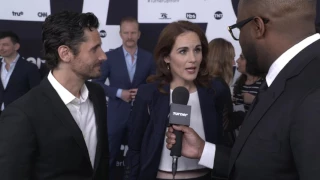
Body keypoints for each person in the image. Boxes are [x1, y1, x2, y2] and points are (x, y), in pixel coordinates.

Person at [166, 0, 320, 179]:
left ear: (257, 27)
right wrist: (202, 150)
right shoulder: (286, 76)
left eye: (239, 28)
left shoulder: (313, 90)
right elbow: (262, 164)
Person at [0, 11, 109, 179]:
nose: (103, 55)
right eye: (94, 49)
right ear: (65, 53)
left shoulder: (97, 95)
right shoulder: (22, 114)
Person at [125, 20, 229, 180]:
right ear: (166, 57)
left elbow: (225, 145)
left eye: (197, 50)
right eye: (183, 51)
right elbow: (134, 148)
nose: (193, 58)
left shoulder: (216, 91)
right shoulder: (148, 94)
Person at [92, 16, 155, 179]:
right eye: (126, 32)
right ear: (120, 34)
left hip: (141, 116)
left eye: (133, 32)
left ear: (139, 34)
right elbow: (97, 83)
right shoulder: (109, 57)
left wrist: (141, 91)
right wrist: (119, 93)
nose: (129, 36)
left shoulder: (149, 58)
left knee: (140, 155)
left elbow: (156, 83)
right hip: (115, 115)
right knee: (110, 156)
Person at [0, 31, 41, 114]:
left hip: (20, 115)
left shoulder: (30, 68)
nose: (1, 48)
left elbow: (36, 93)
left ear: (16, 46)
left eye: (5, 45)